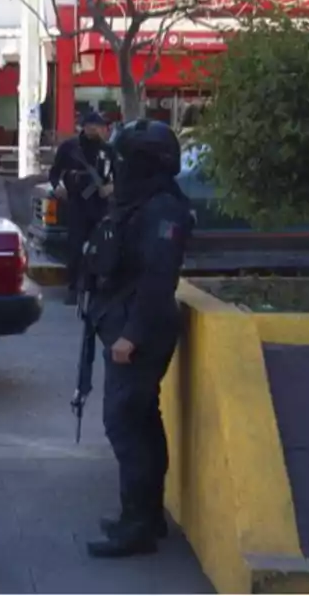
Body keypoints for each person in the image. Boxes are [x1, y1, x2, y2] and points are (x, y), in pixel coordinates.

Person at [81, 119, 194, 558]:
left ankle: (137, 527)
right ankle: (146, 516)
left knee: (126, 426)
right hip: (124, 321)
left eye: (126, 160)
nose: (119, 169)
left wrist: (131, 335)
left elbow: (157, 278)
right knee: (142, 422)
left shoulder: (163, 210)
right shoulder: (141, 203)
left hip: (139, 330)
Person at [49, 112, 115, 305]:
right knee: (75, 246)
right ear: (83, 127)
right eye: (91, 125)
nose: (95, 129)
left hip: (100, 204)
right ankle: (72, 287)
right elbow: (54, 173)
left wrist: (111, 188)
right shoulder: (70, 148)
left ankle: (95, 286)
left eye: (99, 126)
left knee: (101, 246)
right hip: (77, 203)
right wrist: (58, 187)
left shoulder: (108, 150)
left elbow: (119, 176)